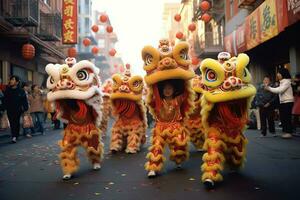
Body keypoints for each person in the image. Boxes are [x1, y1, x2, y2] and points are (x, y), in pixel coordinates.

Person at [265, 68, 294, 138]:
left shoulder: (287, 82)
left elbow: (280, 90)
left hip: (287, 101)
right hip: (283, 102)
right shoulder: (282, 82)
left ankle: (289, 132)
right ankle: (286, 132)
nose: (277, 74)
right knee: (283, 118)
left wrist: (269, 88)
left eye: (279, 73)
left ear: (283, 74)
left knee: (287, 117)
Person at [3, 76, 28, 143]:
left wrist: (25, 108)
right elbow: (5, 100)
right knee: (12, 123)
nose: (11, 81)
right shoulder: (7, 90)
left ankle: (15, 136)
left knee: (16, 122)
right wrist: (4, 109)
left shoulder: (21, 91)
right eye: (11, 80)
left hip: (18, 110)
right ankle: (14, 136)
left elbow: (24, 100)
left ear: (17, 82)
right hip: (9, 109)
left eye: (13, 80)